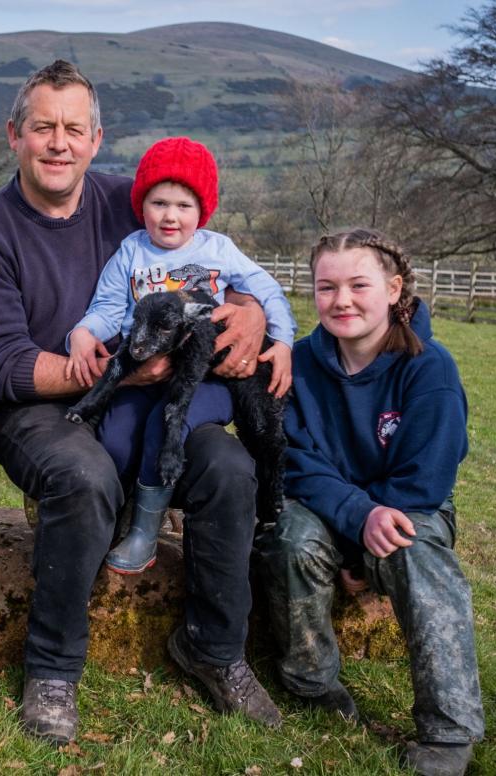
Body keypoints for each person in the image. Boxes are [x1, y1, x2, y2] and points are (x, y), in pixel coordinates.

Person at [0, 59, 281, 744]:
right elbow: (6, 368)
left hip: (163, 395)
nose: (58, 143)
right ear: (14, 134)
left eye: (74, 128)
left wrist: (250, 313)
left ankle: (214, 652)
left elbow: (212, 258)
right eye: (43, 127)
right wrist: (115, 376)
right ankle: (52, 669)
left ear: (97, 140)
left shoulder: (134, 202)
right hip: (45, 407)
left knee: (225, 469)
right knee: (83, 476)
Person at [257, 228, 483, 776]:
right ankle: (312, 683)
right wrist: (356, 520)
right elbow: (294, 461)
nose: (342, 301)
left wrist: (367, 539)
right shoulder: (301, 364)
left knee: (414, 550)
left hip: (407, 507)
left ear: (392, 288)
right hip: (325, 505)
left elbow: (426, 478)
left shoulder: (430, 367)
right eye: (326, 287)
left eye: (359, 284)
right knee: (288, 540)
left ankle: (449, 730)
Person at [66, 136, 295, 575]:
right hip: (145, 367)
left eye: (184, 205)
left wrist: (282, 341)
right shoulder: (132, 251)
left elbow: (268, 292)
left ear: (202, 211)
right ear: (142, 205)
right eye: (159, 202)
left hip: (203, 377)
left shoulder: (218, 249)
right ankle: (117, 512)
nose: (170, 216)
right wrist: (83, 332)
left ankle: (145, 532)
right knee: (113, 437)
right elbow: (108, 308)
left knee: (168, 421)